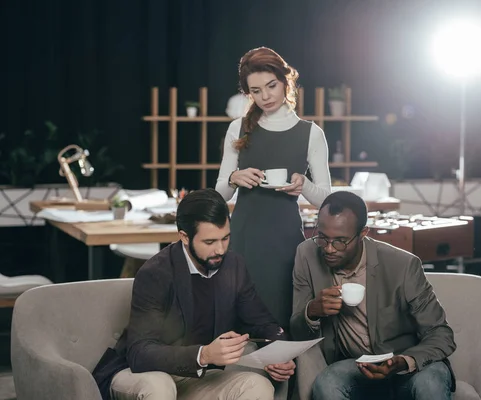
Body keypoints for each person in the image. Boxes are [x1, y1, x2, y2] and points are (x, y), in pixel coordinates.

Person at [92, 189, 296, 400]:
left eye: (225, 238)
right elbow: (140, 353)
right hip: (142, 373)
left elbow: (262, 322)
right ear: (184, 237)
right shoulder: (156, 273)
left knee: (257, 386)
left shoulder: (234, 266)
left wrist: (279, 353)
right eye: (209, 242)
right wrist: (204, 354)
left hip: (198, 375)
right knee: (159, 387)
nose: (220, 250)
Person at [290, 191, 457, 400]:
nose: (329, 249)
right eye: (323, 238)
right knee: (328, 383)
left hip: (406, 363)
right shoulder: (306, 254)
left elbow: (442, 335)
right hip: (357, 365)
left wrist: (405, 361)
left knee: (431, 382)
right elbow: (297, 331)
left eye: (340, 241)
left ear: (363, 233)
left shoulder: (402, 265)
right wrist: (312, 311)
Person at [216, 47, 331, 328]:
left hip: (285, 243)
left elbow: (327, 200)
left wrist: (303, 185)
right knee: (238, 320)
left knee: (281, 319)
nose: (265, 96)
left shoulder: (311, 134)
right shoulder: (238, 128)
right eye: (255, 91)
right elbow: (218, 195)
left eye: (271, 86)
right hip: (242, 238)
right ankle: (242, 373)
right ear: (248, 93)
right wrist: (233, 178)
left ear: (285, 82)